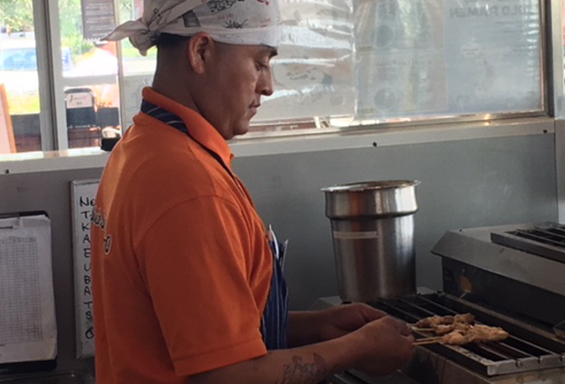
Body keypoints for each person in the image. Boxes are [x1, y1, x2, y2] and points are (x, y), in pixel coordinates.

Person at [90, 1, 415, 383]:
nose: (269, 86)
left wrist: (317, 327)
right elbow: (226, 376)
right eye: (260, 63)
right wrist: (355, 349)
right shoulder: (189, 186)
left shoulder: (140, 147)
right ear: (201, 52)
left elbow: (198, 328)